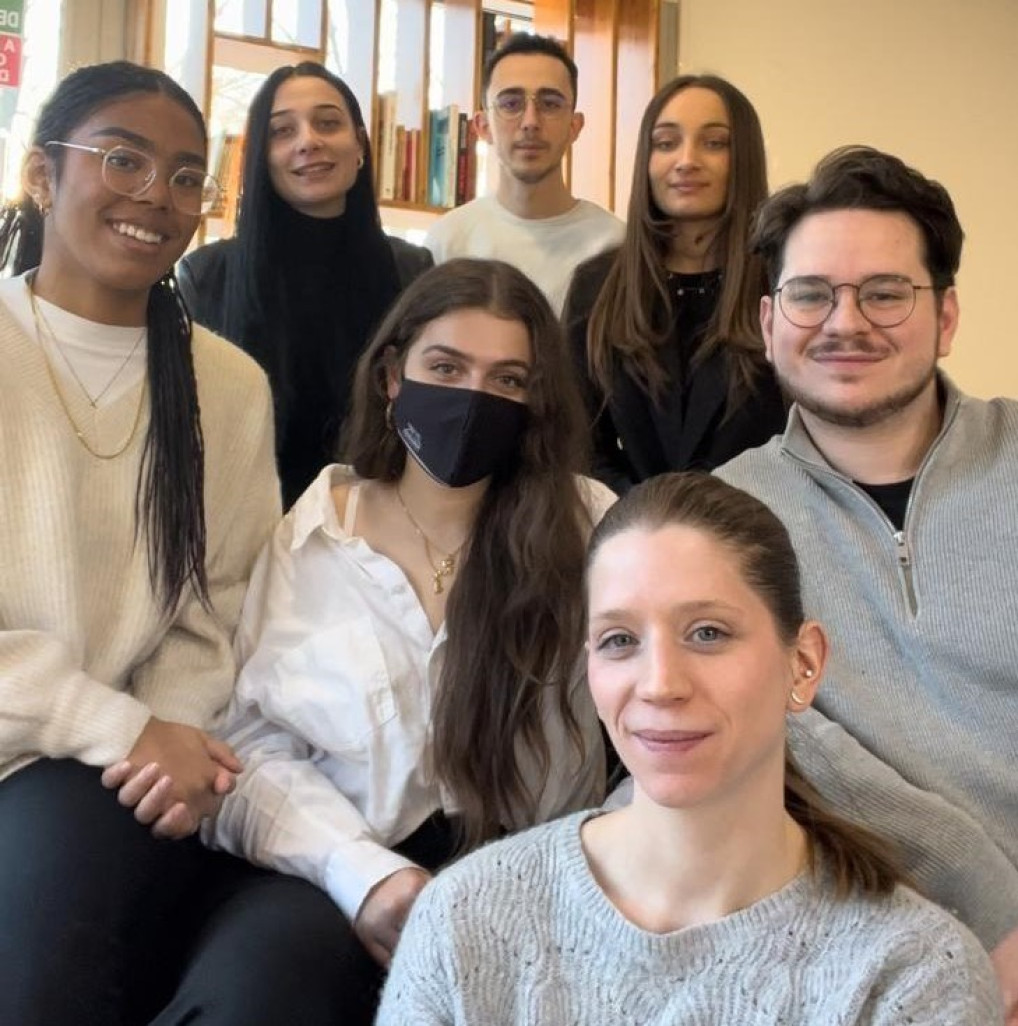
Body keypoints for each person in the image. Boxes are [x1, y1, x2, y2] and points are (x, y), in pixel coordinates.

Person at [0, 61, 359, 1026]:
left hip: (148, 772)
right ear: (43, 173)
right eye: (123, 160)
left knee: (287, 959)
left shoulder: (228, 385)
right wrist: (119, 734)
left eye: (187, 176)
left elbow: (219, 605)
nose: (156, 197)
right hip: (32, 753)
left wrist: (164, 749)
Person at [377, 471, 1003, 1025]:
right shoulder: (468, 918)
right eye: (620, 640)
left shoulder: (912, 973)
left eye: (708, 633)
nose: (660, 685)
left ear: (804, 663)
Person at [207, 258, 615, 1022]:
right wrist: (364, 876)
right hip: (334, 874)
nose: (471, 399)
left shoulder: (588, 525)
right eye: (445, 367)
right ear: (392, 375)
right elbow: (250, 750)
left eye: (507, 380)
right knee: (252, 991)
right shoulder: (317, 532)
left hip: (529, 879)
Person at [715, 145, 1018, 1023]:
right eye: (813, 294)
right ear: (771, 321)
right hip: (872, 934)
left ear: (946, 315)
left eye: (885, 292)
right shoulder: (725, 516)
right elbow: (787, 739)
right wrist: (986, 910)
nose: (846, 322)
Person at [178, 62, 432, 508]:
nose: (308, 142)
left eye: (328, 123)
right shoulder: (206, 275)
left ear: (359, 147)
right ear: (261, 157)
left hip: (383, 523)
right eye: (282, 131)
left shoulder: (413, 269)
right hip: (250, 524)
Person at [562, 74, 785, 493]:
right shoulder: (596, 286)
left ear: (745, 158)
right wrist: (648, 519)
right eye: (666, 143)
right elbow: (578, 446)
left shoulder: (785, 284)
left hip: (763, 536)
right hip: (630, 533)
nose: (686, 160)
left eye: (714, 143)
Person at [424, 33, 623, 315]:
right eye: (511, 104)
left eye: (550, 104)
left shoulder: (614, 244)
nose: (530, 122)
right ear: (482, 126)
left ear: (574, 127)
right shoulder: (448, 241)